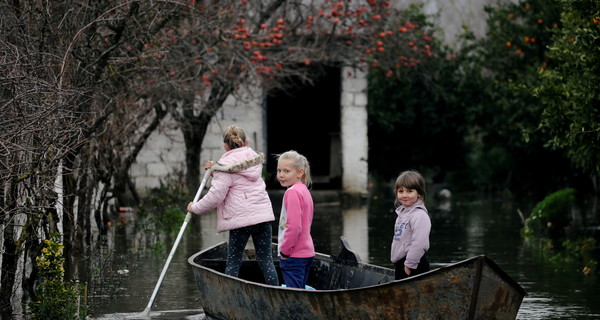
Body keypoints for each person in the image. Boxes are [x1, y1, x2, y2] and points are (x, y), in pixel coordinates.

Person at [187, 125, 279, 286]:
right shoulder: (254, 161)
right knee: (266, 260)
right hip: (262, 218)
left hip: (240, 221)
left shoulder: (225, 166)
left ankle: (232, 296)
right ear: (246, 142)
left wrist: (195, 208)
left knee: (233, 262)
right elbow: (239, 179)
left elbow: (215, 197)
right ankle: (277, 295)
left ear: (225, 145)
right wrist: (216, 171)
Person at [276, 150, 315, 289]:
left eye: (286, 171)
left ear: (299, 172)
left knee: (294, 295)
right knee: (300, 290)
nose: (281, 175)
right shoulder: (304, 190)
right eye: (279, 170)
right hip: (307, 252)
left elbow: (294, 227)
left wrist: (285, 251)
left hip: (294, 255)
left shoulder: (292, 192)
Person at [390, 170, 431, 280]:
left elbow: (420, 243)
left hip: (414, 265)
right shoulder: (402, 214)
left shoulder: (420, 215)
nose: (404, 195)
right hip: (401, 263)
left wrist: (409, 264)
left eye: (409, 191)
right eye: (401, 191)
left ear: (419, 193)